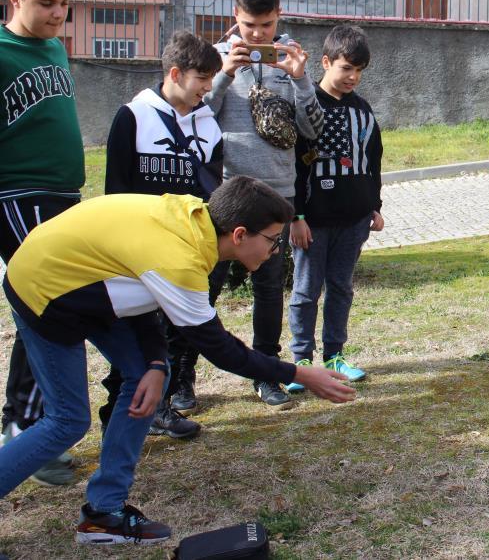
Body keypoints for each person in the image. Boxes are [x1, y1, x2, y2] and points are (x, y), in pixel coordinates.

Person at [0, 176, 356, 546]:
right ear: (238, 234)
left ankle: (104, 512)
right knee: (68, 421)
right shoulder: (181, 259)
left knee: (147, 378)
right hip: (43, 287)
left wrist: (155, 365)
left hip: (87, 278)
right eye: (272, 240)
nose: (275, 250)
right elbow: (221, 350)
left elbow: (141, 289)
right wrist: (299, 373)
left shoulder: (193, 220)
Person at [97, 30, 224, 440]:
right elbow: (115, 189)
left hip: (185, 250)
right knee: (136, 328)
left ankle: (162, 405)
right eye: (202, 78)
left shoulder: (209, 125)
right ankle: (118, 407)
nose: (208, 88)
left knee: (174, 329)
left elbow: (212, 190)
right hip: (138, 251)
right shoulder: (132, 116)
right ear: (175, 73)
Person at [204, 0, 324, 410]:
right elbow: (199, 120)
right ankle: (181, 379)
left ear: (279, 18)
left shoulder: (290, 58)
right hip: (228, 194)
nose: (258, 35)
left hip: (277, 194)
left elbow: (312, 130)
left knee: (270, 290)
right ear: (235, 18)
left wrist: (301, 81)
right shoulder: (216, 59)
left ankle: (265, 373)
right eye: (250, 25)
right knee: (205, 286)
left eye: (267, 25)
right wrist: (223, 76)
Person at [0, 0, 83, 486]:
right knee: (48, 303)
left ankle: (27, 421)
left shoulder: (54, 48)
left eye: (66, 4)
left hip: (62, 196)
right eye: (47, 3)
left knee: (47, 306)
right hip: (17, 195)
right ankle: (26, 429)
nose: (58, 14)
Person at [285, 25, 383, 391]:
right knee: (306, 290)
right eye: (345, 68)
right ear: (326, 62)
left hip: (354, 219)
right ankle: (302, 360)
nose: (352, 77)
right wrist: (296, 216)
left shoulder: (363, 111)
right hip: (313, 221)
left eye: (359, 70)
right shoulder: (308, 106)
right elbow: (295, 164)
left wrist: (374, 206)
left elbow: (373, 159)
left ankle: (334, 355)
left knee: (341, 287)